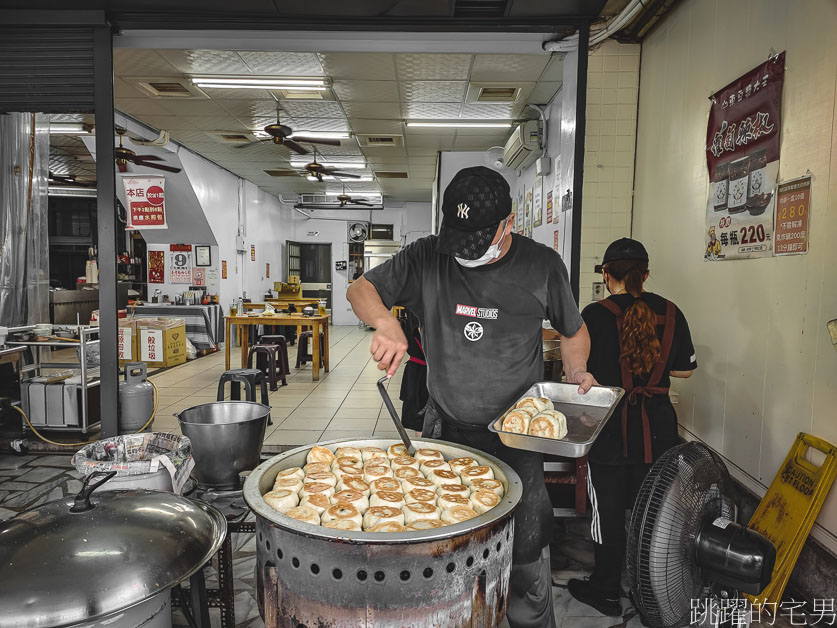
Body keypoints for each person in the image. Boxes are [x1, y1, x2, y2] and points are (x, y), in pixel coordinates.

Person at [347, 165, 595, 628]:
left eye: (476, 241)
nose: (463, 253)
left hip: (517, 439)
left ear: (509, 224)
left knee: (524, 556)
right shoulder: (425, 256)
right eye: (457, 239)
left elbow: (573, 331)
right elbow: (361, 289)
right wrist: (387, 322)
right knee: (444, 555)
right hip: (447, 430)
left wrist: (577, 368)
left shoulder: (541, 265)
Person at [568, 238, 697, 617]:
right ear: (646, 274)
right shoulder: (671, 312)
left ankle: (606, 588)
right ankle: (652, 594)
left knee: (606, 512)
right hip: (657, 428)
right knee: (653, 514)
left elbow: (577, 370)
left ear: (607, 275)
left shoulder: (593, 315)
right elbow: (685, 369)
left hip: (607, 425)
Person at [398, 309, 428, 432]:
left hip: (422, 369)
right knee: (420, 418)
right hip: (422, 372)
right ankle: (423, 450)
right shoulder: (419, 309)